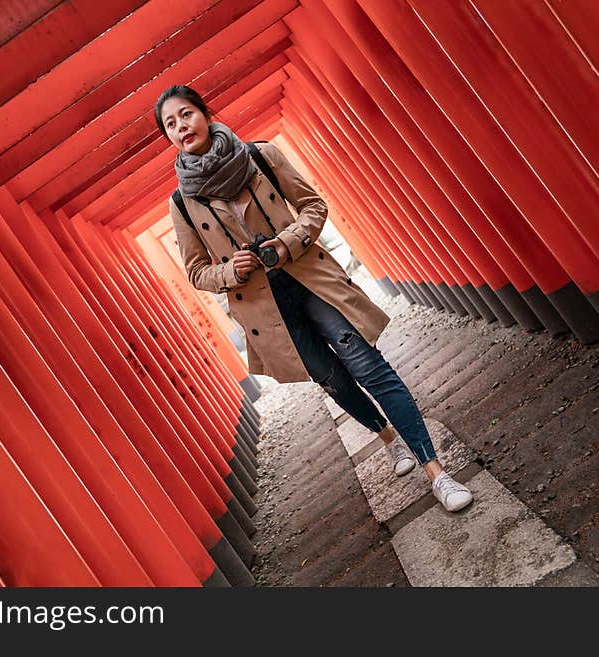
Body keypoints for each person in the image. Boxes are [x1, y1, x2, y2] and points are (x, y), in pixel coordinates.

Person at [155, 85, 472, 512]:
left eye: (186, 114)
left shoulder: (261, 156)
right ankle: (388, 438)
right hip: (265, 307)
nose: (181, 126)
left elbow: (312, 206)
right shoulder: (182, 201)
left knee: (368, 367)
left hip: (307, 275)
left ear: (205, 114)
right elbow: (196, 270)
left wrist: (286, 242)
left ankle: (436, 472)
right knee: (334, 380)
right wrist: (231, 271)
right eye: (170, 124)